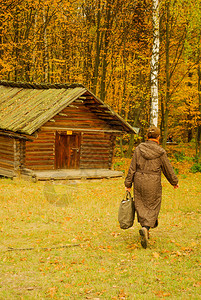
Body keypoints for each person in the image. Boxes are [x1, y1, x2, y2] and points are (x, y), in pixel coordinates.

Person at [124, 126, 179, 249]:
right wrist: (174, 181)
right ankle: (146, 228)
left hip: (139, 180)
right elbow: (167, 169)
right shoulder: (160, 152)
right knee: (153, 205)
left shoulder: (138, 149)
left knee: (141, 204)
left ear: (147, 136)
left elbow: (132, 167)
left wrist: (128, 184)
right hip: (153, 182)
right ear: (158, 137)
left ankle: (145, 230)